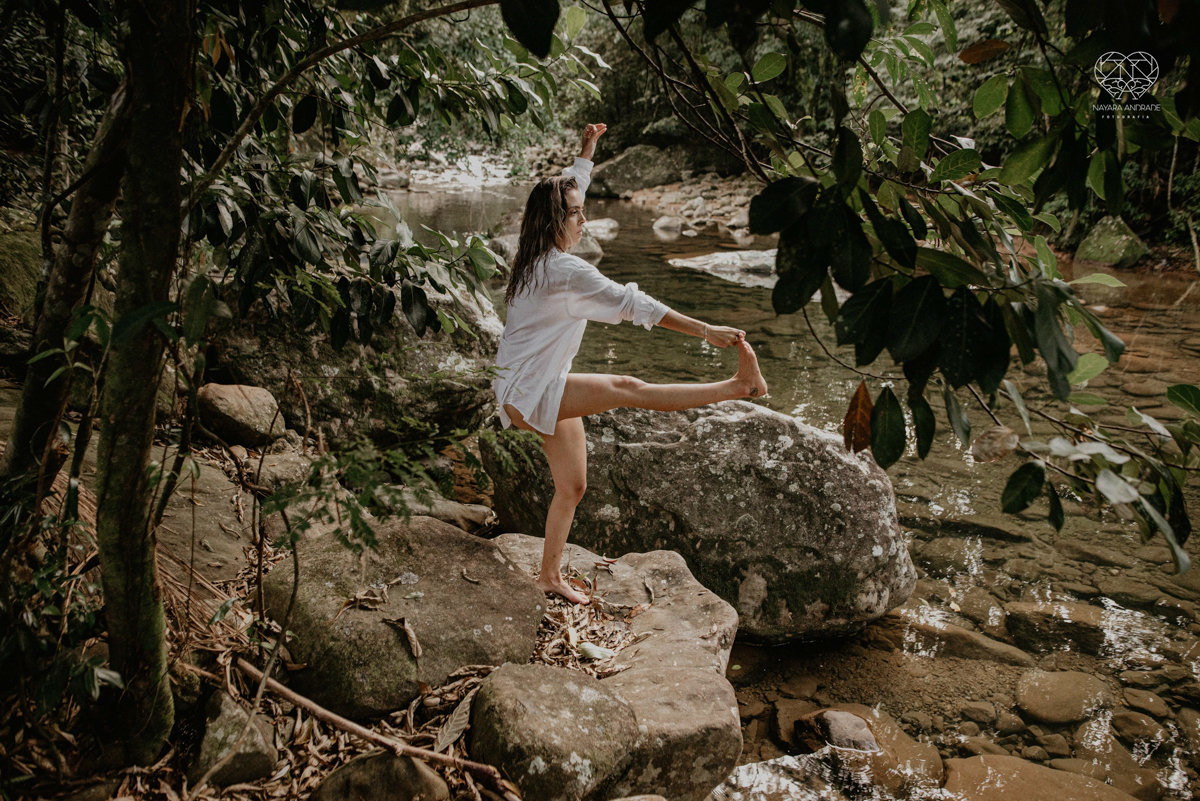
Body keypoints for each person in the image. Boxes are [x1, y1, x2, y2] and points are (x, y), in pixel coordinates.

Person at [492, 122, 769, 604]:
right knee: (627, 386)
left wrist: (586, 154)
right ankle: (737, 386)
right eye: (576, 214)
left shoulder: (535, 255)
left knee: (572, 486)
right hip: (529, 390)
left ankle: (549, 577)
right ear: (553, 220)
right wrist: (706, 330)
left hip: (527, 386)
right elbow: (634, 304)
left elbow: (568, 191)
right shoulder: (564, 270)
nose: (584, 220)